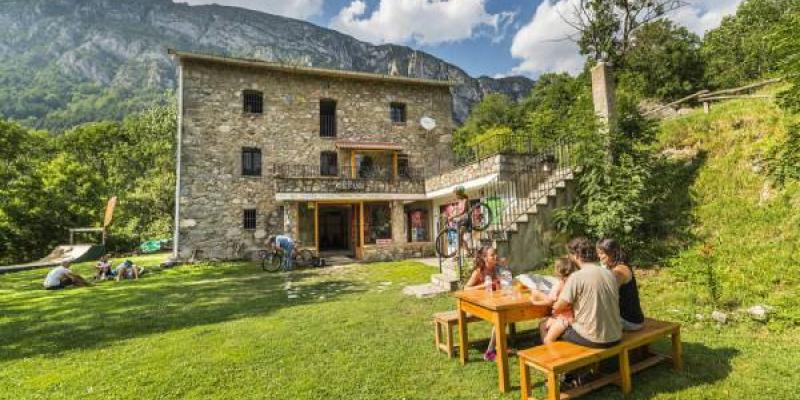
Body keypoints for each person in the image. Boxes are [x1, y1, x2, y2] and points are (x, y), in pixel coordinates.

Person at [550, 237, 622, 348]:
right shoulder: (609, 273)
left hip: (593, 339)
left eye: (570, 255)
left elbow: (558, 307)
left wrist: (553, 303)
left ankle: (553, 359)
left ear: (576, 255)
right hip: (616, 335)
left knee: (550, 324)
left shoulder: (576, 277)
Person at [464, 245, 508, 361]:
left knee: (504, 316)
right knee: (501, 319)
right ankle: (490, 353)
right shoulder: (478, 272)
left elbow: (503, 283)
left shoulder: (495, 269)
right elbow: (465, 289)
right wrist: (483, 286)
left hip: (490, 303)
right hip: (475, 307)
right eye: (492, 255)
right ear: (485, 258)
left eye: (495, 254)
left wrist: (504, 268)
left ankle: (496, 348)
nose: (495, 256)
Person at [596, 238, 645, 331]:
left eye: (602, 253)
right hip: (620, 316)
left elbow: (606, 290)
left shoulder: (621, 270)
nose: (599, 256)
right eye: (598, 253)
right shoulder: (611, 267)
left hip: (630, 321)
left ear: (612, 253)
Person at [530, 258, 579, 344]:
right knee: (542, 324)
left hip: (563, 320)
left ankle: (550, 352)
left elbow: (549, 302)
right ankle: (546, 346)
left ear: (557, 271)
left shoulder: (558, 285)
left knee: (548, 339)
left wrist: (534, 302)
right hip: (570, 317)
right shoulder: (573, 283)